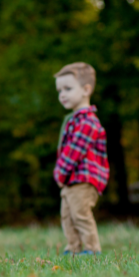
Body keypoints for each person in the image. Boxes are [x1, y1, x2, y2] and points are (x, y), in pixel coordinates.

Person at [53, 62, 109, 255]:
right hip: (71, 179)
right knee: (67, 216)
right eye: (59, 90)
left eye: (68, 88)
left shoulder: (88, 121)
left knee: (80, 214)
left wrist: (59, 173)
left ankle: (92, 249)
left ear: (86, 89)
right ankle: (74, 248)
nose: (62, 94)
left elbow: (73, 152)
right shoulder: (73, 120)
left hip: (83, 179)